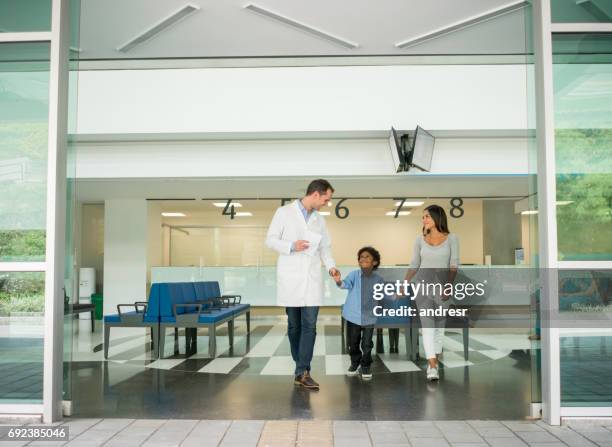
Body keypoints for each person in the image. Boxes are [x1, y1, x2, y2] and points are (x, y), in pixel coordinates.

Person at [265, 179, 339, 390]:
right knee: (294, 326)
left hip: (312, 279)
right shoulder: (284, 213)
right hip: (290, 278)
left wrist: (331, 267)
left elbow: (325, 248)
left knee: (310, 325)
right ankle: (300, 369)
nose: (327, 203)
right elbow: (270, 240)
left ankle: (303, 371)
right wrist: (291, 245)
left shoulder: (319, 220)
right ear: (316, 194)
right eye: (326, 198)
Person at [403, 205, 459, 382]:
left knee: (439, 328)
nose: (424, 219)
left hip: (443, 288)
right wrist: (404, 283)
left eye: (427, 216)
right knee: (427, 327)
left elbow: (453, 265)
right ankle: (432, 366)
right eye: (423, 217)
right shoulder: (419, 240)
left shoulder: (452, 239)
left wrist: (448, 286)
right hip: (423, 288)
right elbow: (414, 264)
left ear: (437, 218)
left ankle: (435, 357)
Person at [333, 246, 384, 380]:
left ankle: (365, 365)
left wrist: (396, 295)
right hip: (353, 315)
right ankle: (355, 363)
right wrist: (338, 280)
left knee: (367, 344)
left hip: (369, 316)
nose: (363, 258)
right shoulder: (354, 275)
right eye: (361, 257)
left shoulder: (378, 279)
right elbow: (345, 285)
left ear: (374, 262)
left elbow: (384, 293)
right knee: (353, 342)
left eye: (367, 256)